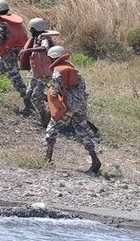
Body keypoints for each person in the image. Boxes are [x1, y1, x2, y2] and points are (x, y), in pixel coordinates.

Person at [42, 46, 101, 174]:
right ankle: (94, 159)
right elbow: (82, 86)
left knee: (52, 128)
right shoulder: (73, 69)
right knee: (82, 130)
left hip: (67, 104)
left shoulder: (57, 71)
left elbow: (55, 91)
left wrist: (50, 94)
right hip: (81, 103)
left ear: (53, 58)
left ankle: (47, 158)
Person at [0, 0, 29, 109]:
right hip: (15, 53)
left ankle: (30, 104)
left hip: (8, 56)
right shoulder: (15, 22)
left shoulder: (1, 24)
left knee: (14, 80)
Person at [18, 17, 57, 127]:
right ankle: (29, 110)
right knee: (28, 95)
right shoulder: (37, 38)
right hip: (37, 73)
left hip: (45, 74)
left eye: (32, 29)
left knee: (35, 95)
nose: (30, 31)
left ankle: (45, 117)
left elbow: (44, 48)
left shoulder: (44, 39)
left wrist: (28, 50)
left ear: (36, 29)